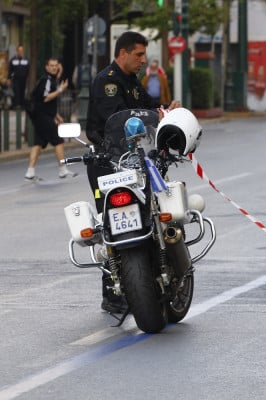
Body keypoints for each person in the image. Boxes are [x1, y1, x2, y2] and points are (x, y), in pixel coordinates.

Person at [86, 31, 181, 313]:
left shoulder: (130, 81)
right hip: (107, 162)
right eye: (138, 55)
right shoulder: (107, 82)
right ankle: (112, 292)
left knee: (146, 216)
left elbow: (146, 106)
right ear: (123, 53)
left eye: (143, 55)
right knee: (112, 224)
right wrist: (150, 116)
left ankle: (148, 275)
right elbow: (119, 118)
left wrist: (164, 110)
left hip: (134, 161)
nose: (143, 60)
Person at [23, 57, 74, 181]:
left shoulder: (51, 79)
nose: (54, 67)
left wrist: (56, 115)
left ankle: (30, 173)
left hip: (40, 116)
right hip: (43, 117)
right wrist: (60, 90)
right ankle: (63, 170)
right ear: (46, 67)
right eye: (51, 65)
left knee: (38, 144)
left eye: (56, 65)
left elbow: (46, 102)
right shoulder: (46, 80)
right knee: (58, 141)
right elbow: (45, 98)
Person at [8, 45, 30, 109]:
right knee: (16, 91)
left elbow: (28, 69)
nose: (20, 52)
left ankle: (22, 105)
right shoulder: (13, 60)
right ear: (17, 51)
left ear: (23, 51)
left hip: (23, 78)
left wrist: (28, 77)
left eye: (21, 51)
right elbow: (10, 70)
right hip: (15, 79)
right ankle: (16, 105)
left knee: (22, 91)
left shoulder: (26, 60)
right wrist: (9, 79)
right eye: (19, 50)